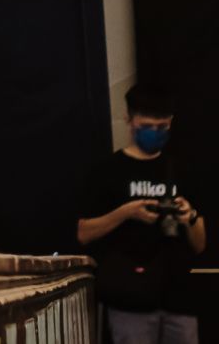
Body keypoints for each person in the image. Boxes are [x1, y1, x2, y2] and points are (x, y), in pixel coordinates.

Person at [78, 83, 206, 343]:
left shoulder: (182, 169)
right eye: (147, 125)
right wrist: (126, 213)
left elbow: (200, 244)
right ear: (130, 120)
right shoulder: (108, 171)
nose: (155, 132)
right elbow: (84, 233)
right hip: (129, 298)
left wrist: (189, 217)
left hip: (178, 297)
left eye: (162, 126)